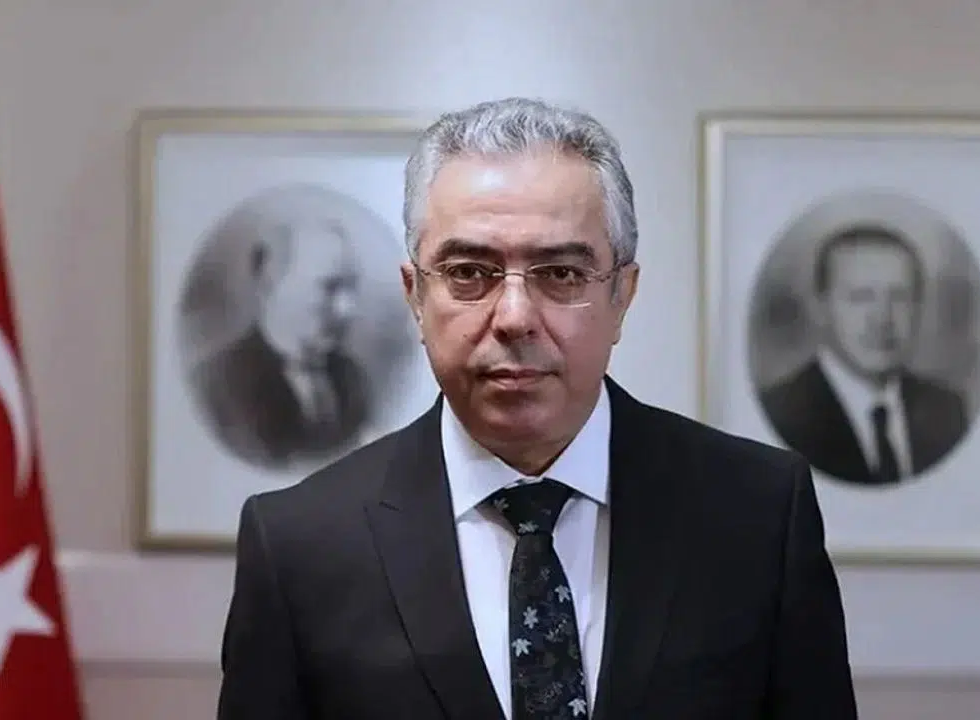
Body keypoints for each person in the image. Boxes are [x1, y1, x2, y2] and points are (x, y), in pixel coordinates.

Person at [216, 97, 857, 719]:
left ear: (622, 296)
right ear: (415, 297)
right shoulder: (300, 545)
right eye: (469, 273)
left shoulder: (758, 513)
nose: (515, 317)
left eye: (561, 274)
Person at [757, 224, 969, 485]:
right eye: (861, 297)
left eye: (899, 297)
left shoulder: (947, 411)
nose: (882, 318)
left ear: (918, 306)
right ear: (820, 307)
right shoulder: (786, 414)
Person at [181, 185, 372, 466]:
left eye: (350, 287)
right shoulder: (220, 385)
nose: (347, 309)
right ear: (271, 283)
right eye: (329, 287)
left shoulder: (354, 381)